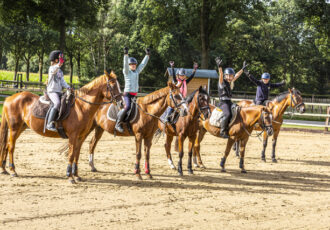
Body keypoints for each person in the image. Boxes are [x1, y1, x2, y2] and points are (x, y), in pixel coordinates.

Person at [115, 47, 150, 133]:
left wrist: (147, 55)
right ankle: (118, 123)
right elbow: (125, 64)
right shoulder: (126, 71)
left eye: (134, 64)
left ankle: (130, 124)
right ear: (129, 65)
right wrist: (126, 55)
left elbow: (142, 64)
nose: (134, 65)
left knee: (137, 110)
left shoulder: (137, 72)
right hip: (127, 94)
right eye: (132, 64)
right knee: (127, 107)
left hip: (134, 95)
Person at [216, 57, 247, 138]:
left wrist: (242, 69)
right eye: (228, 76)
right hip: (223, 103)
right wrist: (220, 67)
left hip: (229, 102)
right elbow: (221, 74)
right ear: (225, 76)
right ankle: (222, 132)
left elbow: (236, 75)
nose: (229, 77)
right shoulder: (221, 82)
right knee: (227, 114)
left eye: (231, 76)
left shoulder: (231, 82)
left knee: (238, 110)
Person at [46, 50, 71, 132]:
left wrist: (68, 87)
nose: (62, 60)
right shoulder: (51, 68)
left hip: (59, 91)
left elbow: (62, 81)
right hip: (52, 91)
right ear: (56, 60)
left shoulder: (60, 71)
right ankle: (49, 123)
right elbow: (54, 71)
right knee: (57, 103)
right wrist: (59, 65)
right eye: (60, 59)